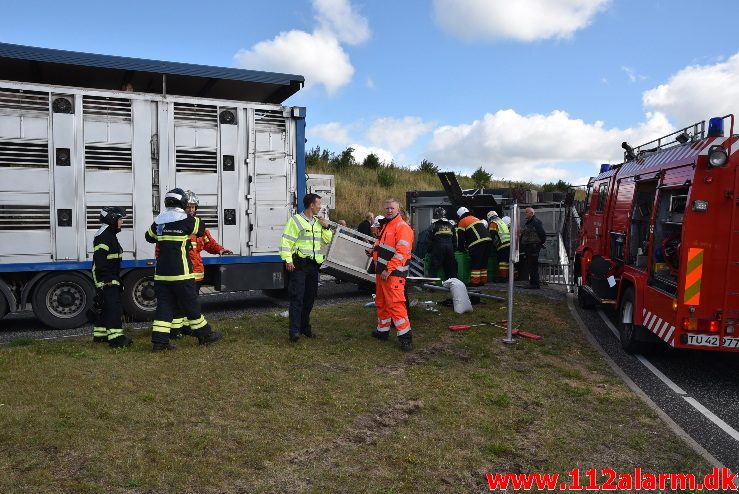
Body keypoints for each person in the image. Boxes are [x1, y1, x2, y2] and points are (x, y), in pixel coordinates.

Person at [145, 188, 223, 352]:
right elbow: (201, 228)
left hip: (161, 275)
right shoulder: (188, 221)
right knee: (191, 305)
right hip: (182, 273)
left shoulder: (159, 222)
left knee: (164, 308)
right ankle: (205, 335)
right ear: (182, 203)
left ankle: (159, 343)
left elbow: (148, 237)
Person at [167, 191, 233, 339]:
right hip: (183, 272)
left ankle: (183, 328)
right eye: (188, 206)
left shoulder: (197, 225)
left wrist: (220, 250)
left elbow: (209, 243)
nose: (191, 209)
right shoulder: (179, 225)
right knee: (184, 302)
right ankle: (182, 330)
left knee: (187, 301)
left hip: (196, 273)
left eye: (193, 207)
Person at [279, 193, 333, 341]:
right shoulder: (295, 221)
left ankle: (305, 328)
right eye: (318, 204)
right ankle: (294, 331)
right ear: (311, 205)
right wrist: (288, 260)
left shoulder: (317, 222)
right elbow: (286, 242)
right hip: (299, 266)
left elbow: (326, 241)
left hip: (313, 266)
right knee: (297, 298)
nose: (320, 207)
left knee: (310, 297)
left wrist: (326, 227)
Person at [368, 198, 415, 352]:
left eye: (392, 208)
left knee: (396, 305)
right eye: (387, 208)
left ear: (398, 210)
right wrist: (372, 251)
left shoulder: (403, 228)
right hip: (382, 273)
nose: (389, 210)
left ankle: (405, 338)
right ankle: (382, 332)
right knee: (381, 303)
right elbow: (381, 245)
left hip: (392, 274)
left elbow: (402, 253)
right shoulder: (387, 225)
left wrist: (389, 269)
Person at [91, 206, 132, 348]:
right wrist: (107, 280)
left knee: (105, 305)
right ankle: (116, 339)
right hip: (106, 277)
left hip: (109, 276)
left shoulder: (109, 234)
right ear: (112, 219)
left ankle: (100, 335)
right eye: (120, 219)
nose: (122, 222)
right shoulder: (104, 236)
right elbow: (100, 261)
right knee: (113, 307)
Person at [456, 206, 493, 286]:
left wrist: (461, 248)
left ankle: (475, 282)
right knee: (483, 263)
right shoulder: (475, 218)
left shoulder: (462, 221)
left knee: (476, 263)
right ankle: (482, 281)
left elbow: (461, 237)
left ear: (459, 215)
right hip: (488, 241)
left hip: (478, 243)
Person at [427, 207, 457, 281]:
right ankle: (451, 284)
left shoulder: (433, 225)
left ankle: (431, 285)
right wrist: (454, 250)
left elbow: (430, 240)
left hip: (438, 249)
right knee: (450, 268)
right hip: (450, 249)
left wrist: (429, 251)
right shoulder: (451, 225)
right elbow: (455, 240)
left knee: (434, 267)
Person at [520, 207, 547, 289]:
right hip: (529, 247)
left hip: (533, 247)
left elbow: (542, 234)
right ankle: (532, 283)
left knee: (533, 265)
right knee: (530, 265)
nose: (525, 214)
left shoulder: (535, 222)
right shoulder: (529, 222)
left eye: (527, 212)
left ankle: (535, 284)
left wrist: (539, 243)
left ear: (532, 213)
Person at [487, 210, 511, 282]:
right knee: (506, 262)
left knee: (502, 262)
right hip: (508, 243)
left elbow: (492, 234)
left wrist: (489, 244)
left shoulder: (493, 223)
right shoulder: (502, 222)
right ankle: (506, 277)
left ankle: (502, 278)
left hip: (502, 245)